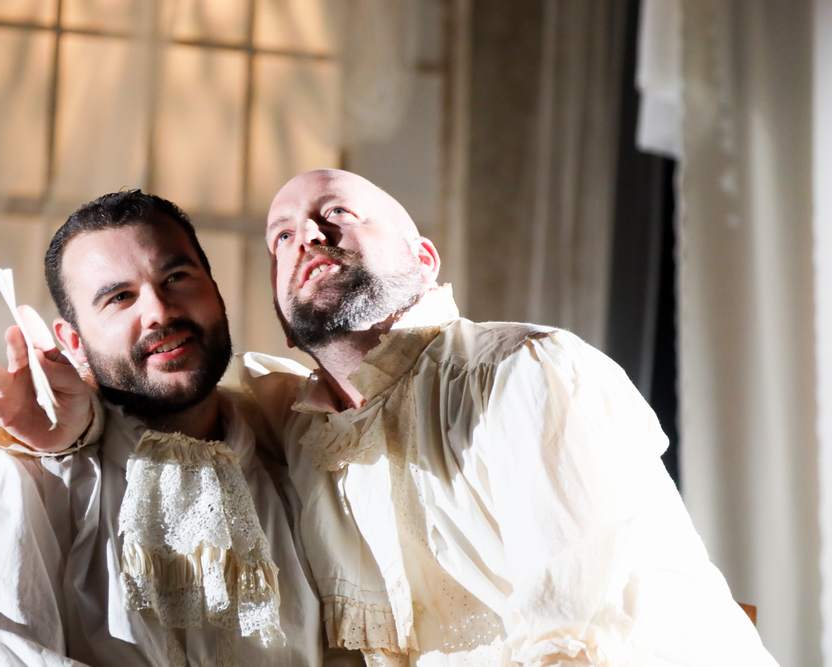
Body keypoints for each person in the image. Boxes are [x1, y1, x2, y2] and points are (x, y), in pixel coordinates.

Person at [239, 168, 779, 664]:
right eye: (281, 237)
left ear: (423, 260)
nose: (307, 234)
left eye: (337, 211)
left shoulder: (525, 372)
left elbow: (579, 639)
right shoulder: (302, 437)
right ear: (285, 321)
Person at [0, 191, 331, 666]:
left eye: (176, 278)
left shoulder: (297, 448)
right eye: (119, 298)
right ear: (74, 341)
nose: (159, 311)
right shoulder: (16, 486)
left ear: (215, 290)